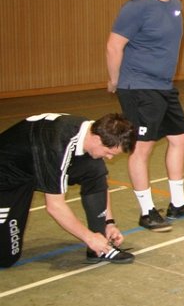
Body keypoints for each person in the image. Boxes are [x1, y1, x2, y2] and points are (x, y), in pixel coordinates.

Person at [106, 0, 184, 232]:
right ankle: (147, 211)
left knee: (181, 137)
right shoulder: (136, 7)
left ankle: (177, 203)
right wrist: (114, 80)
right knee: (142, 147)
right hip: (139, 86)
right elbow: (114, 45)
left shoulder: (175, 3)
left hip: (163, 86)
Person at [1, 113, 136, 267]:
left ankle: (100, 247)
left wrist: (109, 223)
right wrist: (89, 238)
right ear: (97, 139)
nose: (110, 158)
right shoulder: (57, 146)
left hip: (31, 167)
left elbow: (100, 182)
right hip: (6, 179)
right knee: (6, 257)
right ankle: (95, 241)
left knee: (95, 168)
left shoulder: (92, 130)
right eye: (109, 152)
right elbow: (55, 206)